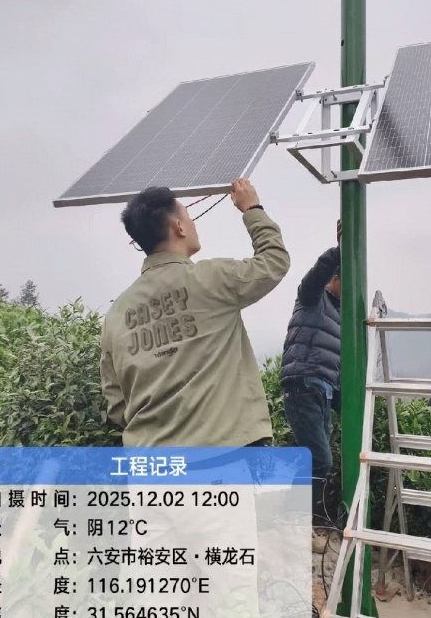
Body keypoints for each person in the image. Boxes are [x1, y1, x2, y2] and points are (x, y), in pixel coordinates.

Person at [101, 178, 290, 447]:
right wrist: (252, 209)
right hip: (221, 458)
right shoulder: (211, 278)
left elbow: (116, 403)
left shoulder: (116, 314)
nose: (192, 224)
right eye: (188, 217)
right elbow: (274, 261)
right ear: (178, 227)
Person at [280, 221, 341, 553]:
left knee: (315, 459)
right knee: (319, 459)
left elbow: (338, 366)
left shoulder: (341, 315)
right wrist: (338, 251)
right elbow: (312, 278)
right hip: (303, 384)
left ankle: (298, 524)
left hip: (324, 391)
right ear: (334, 280)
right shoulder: (312, 299)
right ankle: (295, 526)